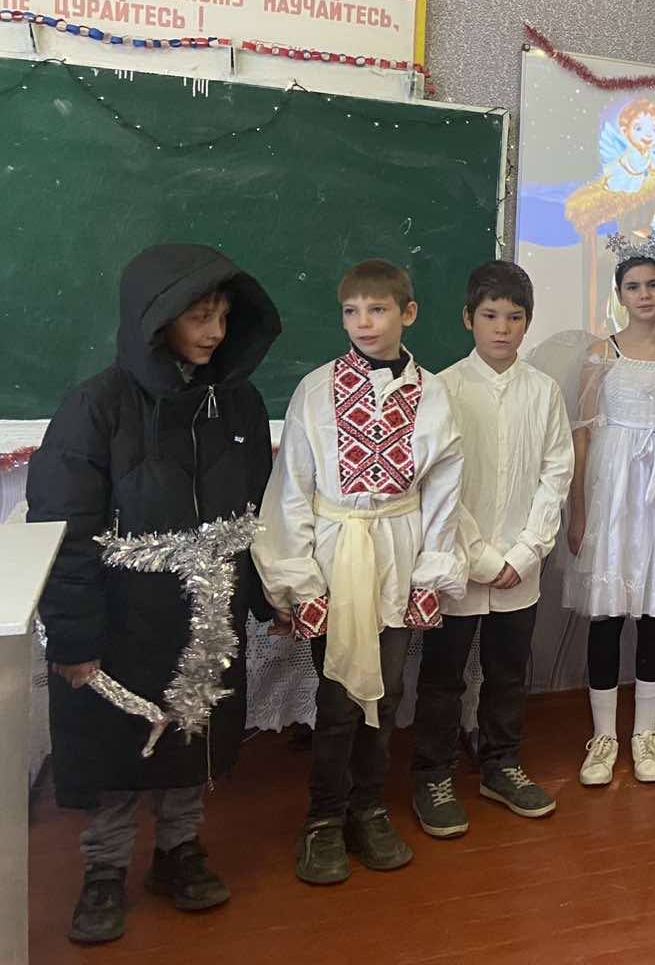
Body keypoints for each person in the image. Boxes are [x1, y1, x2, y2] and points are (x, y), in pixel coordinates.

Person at [27, 245, 280, 945]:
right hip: (121, 616)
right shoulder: (95, 406)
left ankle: (179, 851)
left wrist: (268, 597)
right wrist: (74, 636)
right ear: (156, 317)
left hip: (207, 614)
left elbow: (261, 509)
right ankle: (104, 869)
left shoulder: (239, 402)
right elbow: (64, 528)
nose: (216, 332)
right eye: (199, 316)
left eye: (224, 316)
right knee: (117, 745)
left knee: (193, 735)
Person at [253, 259, 465, 884]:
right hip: (333, 554)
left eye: (377, 310)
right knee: (339, 693)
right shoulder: (316, 390)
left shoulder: (434, 395)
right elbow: (292, 487)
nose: (364, 323)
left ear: (408, 313)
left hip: (397, 555)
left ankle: (368, 808)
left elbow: (444, 491)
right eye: (352, 311)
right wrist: (297, 579)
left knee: (389, 688)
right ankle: (324, 817)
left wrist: (431, 573)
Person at [410, 262, 573, 838]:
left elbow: (556, 474)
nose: (502, 328)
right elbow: (438, 485)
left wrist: (526, 552)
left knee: (508, 673)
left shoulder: (543, 391)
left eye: (514, 317)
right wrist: (481, 557)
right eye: (490, 316)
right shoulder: (442, 389)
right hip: (457, 563)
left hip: (520, 566)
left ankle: (500, 764)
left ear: (527, 322)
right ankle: (433, 773)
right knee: (443, 677)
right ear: (468, 319)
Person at [564, 237, 655, 786]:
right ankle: (604, 736)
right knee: (606, 614)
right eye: (633, 287)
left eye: (652, 285)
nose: (643, 294)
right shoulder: (602, 355)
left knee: (654, 614)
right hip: (614, 495)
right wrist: (579, 510)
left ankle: (646, 732)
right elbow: (582, 435)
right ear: (619, 295)